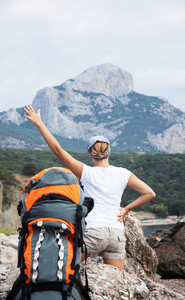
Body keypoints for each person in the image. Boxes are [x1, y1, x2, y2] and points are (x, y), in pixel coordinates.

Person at [24, 104, 156, 270]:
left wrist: (39, 124)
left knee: (64, 268)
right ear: (109, 152)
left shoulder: (86, 172)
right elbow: (149, 193)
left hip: (94, 232)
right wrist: (126, 209)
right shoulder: (124, 173)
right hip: (116, 234)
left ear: (90, 154)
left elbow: (58, 150)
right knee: (117, 281)